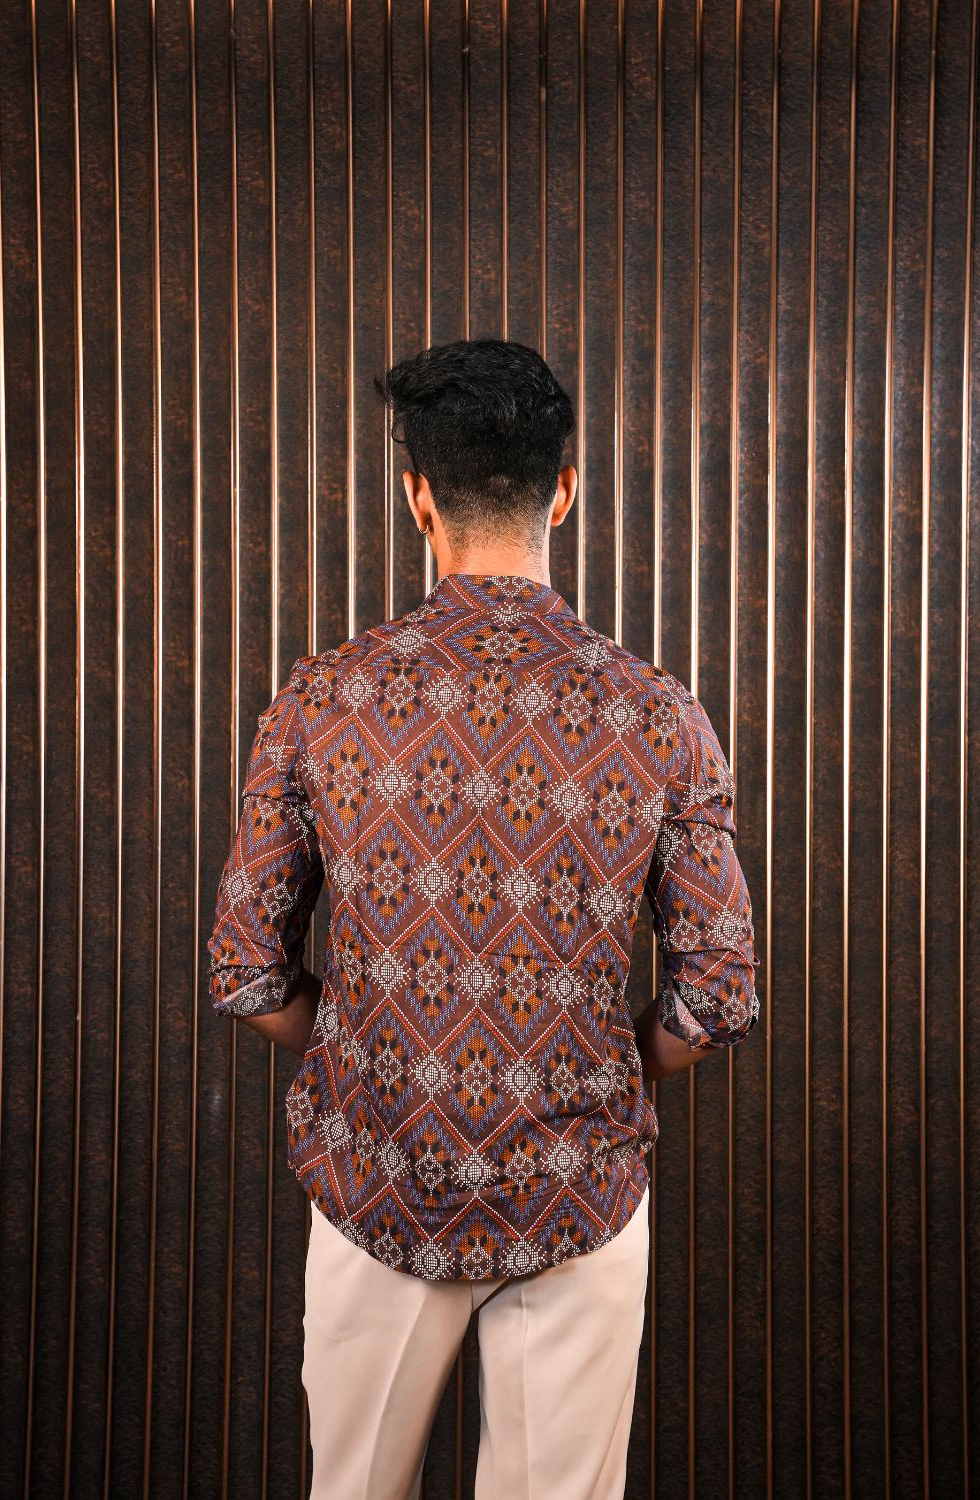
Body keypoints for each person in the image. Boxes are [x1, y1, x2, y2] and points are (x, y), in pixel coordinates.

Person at [205, 337, 760, 1499]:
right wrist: (599, 1071)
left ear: (418, 496)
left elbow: (247, 973)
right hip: (580, 1187)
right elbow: (716, 997)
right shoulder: (659, 714)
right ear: (564, 490)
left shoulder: (322, 699)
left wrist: (368, 1054)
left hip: (374, 1180)